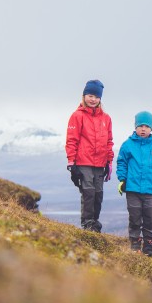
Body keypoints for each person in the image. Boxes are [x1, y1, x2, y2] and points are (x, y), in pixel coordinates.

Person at [116, 110, 152, 254]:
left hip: (150, 191)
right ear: (135, 127)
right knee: (135, 217)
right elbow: (121, 163)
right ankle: (135, 242)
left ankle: (148, 244)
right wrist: (122, 180)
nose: (143, 129)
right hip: (132, 189)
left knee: (149, 218)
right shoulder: (127, 145)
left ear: (151, 128)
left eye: (146, 126)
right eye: (140, 126)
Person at [65, 79, 113, 232]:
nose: (93, 99)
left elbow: (109, 141)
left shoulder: (106, 118)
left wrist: (109, 162)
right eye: (90, 95)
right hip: (83, 162)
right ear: (84, 96)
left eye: (96, 97)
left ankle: (94, 222)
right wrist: (71, 164)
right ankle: (87, 223)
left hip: (100, 163)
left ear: (100, 99)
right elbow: (71, 140)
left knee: (98, 194)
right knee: (88, 193)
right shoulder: (77, 116)